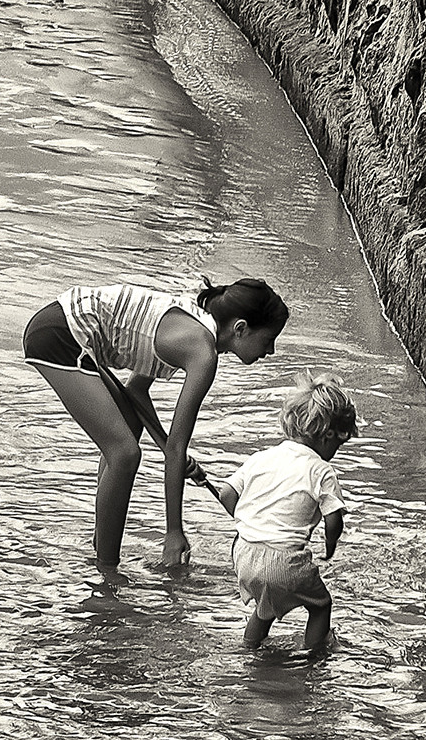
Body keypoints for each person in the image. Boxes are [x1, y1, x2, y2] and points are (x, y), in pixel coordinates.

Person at [22, 278, 289, 569]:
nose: (271, 350)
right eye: (268, 340)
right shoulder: (203, 351)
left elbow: (136, 393)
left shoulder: (195, 326)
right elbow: (177, 446)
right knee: (124, 454)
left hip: (66, 328)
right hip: (63, 333)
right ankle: (107, 571)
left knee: (127, 429)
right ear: (240, 328)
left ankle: (102, 545)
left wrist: (169, 450)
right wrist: (174, 531)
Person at [215, 372, 357, 660]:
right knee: (321, 606)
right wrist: (329, 548)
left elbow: (226, 493)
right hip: (283, 559)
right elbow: (333, 520)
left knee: (264, 608)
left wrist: (248, 523)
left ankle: (248, 651)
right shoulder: (321, 470)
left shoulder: (262, 457)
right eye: (338, 445)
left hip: (244, 554)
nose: (335, 453)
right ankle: (312, 657)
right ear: (328, 434)